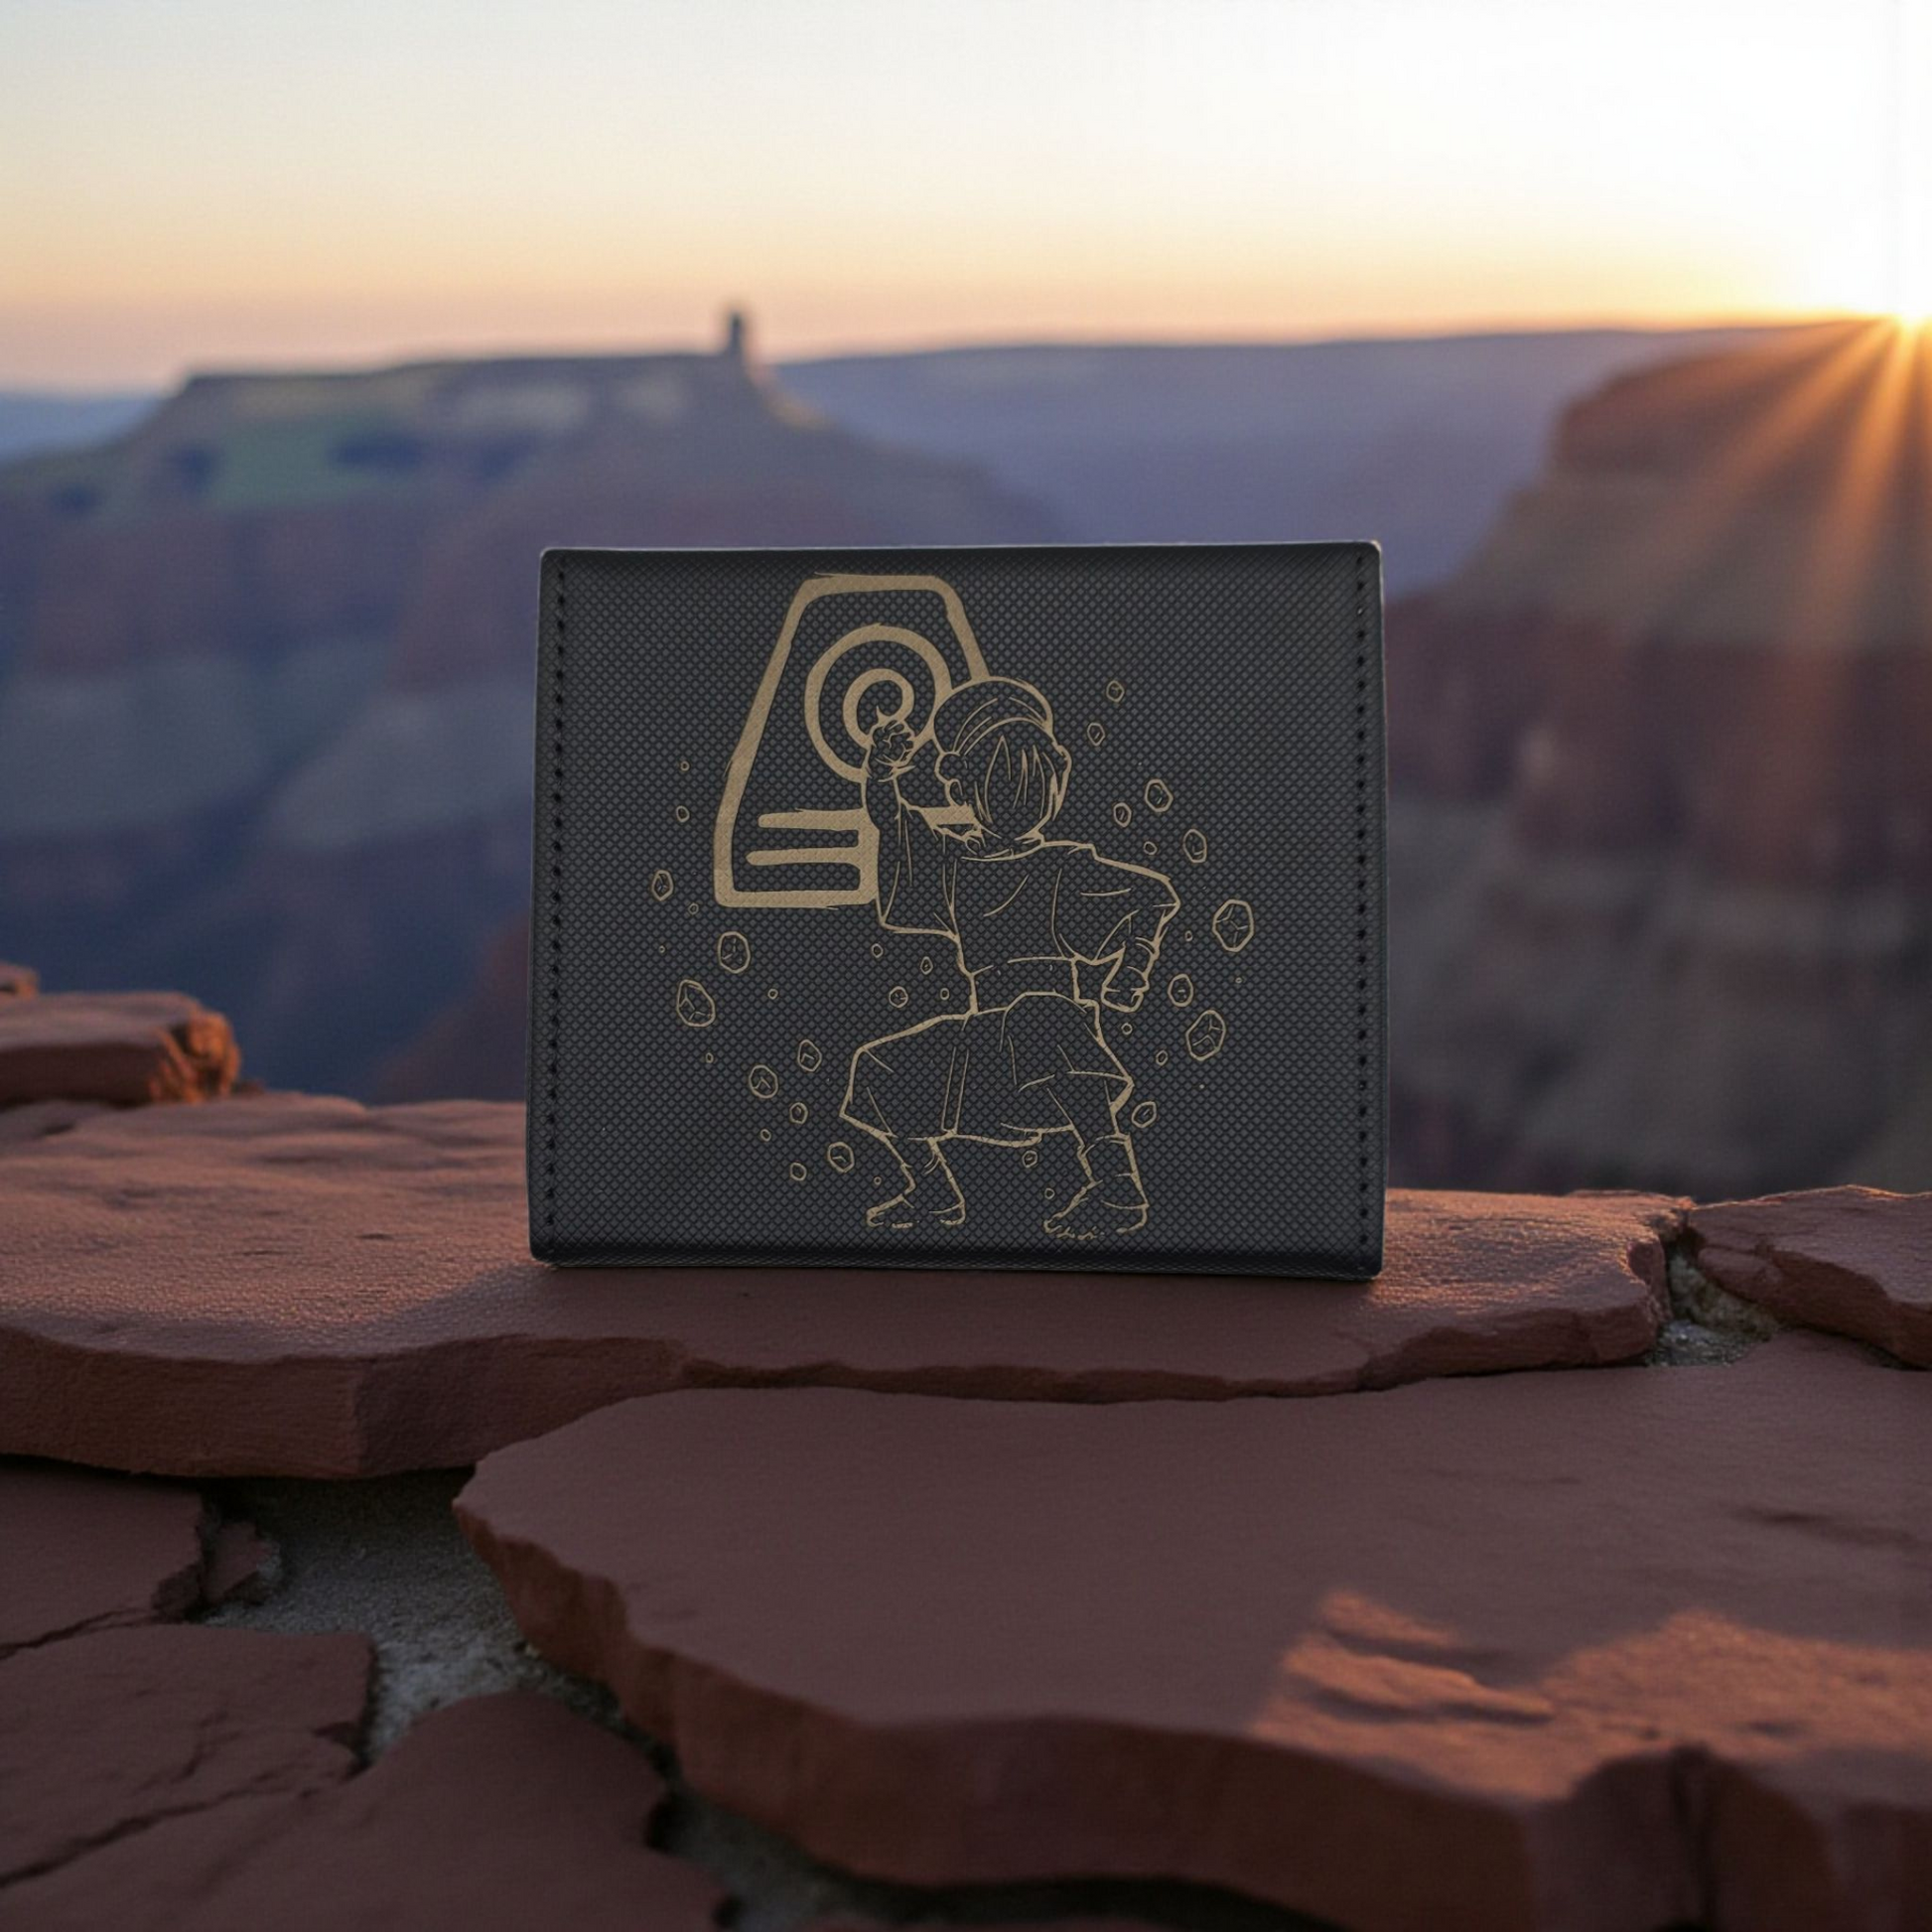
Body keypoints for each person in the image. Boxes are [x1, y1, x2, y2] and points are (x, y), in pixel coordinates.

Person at [840, 675, 1178, 1238]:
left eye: (1032, 771)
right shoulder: (956, 868)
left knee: (1042, 1014)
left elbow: (1154, 895)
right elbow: (896, 825)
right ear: (963, 788)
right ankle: (933, 1190)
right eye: (998, 774)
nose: (1019, 787)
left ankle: (1116, 1184)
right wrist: (880, 772)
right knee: (879, 1064)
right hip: (985, 1039)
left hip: (1050, 1031)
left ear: (1056, 777)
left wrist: (1133, 966)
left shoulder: (1065, 866)